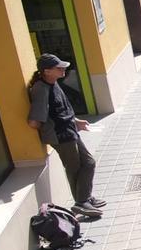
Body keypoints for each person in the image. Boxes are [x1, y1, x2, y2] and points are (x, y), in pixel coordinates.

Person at [27, 54, 104, 217]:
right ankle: (82, 202)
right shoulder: (41, 89)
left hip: (69, 130)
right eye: (59, 68)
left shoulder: (53, 83)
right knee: (75, 168)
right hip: (60, 135)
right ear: (47, 71)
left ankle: (85, 198)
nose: (63, 69)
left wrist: (76, 121)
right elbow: (35, 120)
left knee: (89, 163)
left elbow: (61, 109)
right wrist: (49, 128)